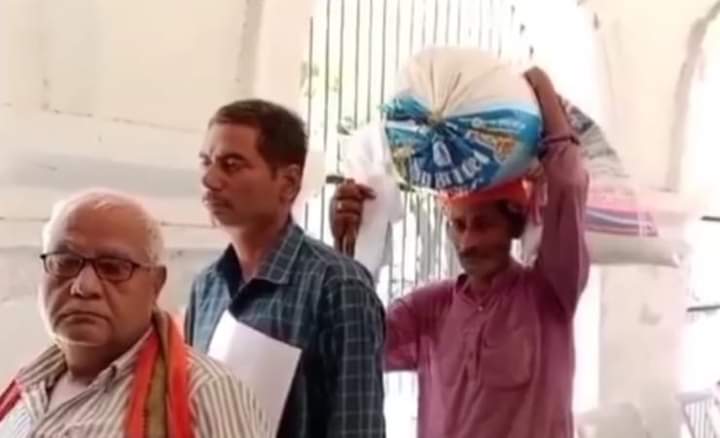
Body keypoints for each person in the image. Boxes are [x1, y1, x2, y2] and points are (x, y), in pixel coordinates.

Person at [330, 67, 589, 438]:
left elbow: (569, 183)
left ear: (515, 225)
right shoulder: (429, 309)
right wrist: (346, 248)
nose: (468, 243)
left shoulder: (549, 295)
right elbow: (351, 346)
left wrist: (543, 89)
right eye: (459, 225)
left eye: (483, 224)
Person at [184, 99, 386, 438]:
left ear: (288, 183)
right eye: (206, 162)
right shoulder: (207, 286)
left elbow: (357, 426)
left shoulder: (338, 286)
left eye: (232, 165)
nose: (210, 179)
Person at [0, 189, 269, 438]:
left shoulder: (204, 393)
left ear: (156, 284)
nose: (84, 286)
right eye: (65, 262)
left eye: (113, 267)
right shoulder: (30, 385)